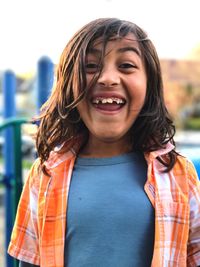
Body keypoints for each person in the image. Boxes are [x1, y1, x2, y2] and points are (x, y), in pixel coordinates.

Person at [8, 18, 200, 267]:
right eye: (90, 66)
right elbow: (28, 261)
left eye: (127, 65)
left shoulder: (179, 174)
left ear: (149, 84)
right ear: (69, 86)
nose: (107, 78)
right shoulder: (44, 174)